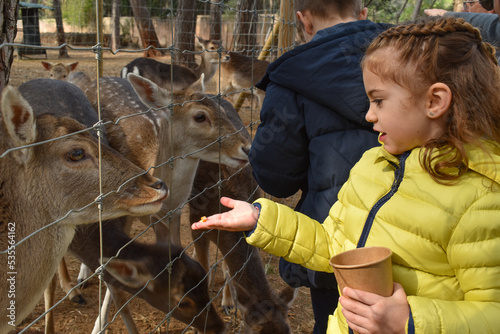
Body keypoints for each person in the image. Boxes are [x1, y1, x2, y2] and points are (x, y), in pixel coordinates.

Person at [194, 16, 500, 333]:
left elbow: (492, 313)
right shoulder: (373, 166)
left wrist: (409, 322)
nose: (369, 115)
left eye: (378, 101)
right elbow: (334, 243)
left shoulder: (483, 199)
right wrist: (262, 220)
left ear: (435, 101)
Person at [248, 1, 391, 332]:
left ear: (303, 21)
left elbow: (275, 177)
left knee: (334, 320)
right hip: (421, 236)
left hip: (336, 244)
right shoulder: (416, 57)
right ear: (363, 13)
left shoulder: (291, 78)